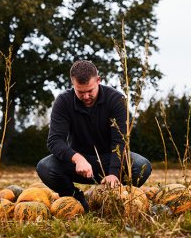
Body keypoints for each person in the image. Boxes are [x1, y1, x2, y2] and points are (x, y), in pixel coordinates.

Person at [36, 60, 152, 212]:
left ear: (98, 80)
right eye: (80, 92)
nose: (85, 96)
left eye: (90, 90)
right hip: (78, 163)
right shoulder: (63, 101)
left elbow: (120, 141)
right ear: (72, 84)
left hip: (109, 158)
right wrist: (77, 158)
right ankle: (76, 201)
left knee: (141, 165)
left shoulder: (116, 100)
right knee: (45, 167)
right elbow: (54, 141)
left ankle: (114, 200)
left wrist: (113, 173)